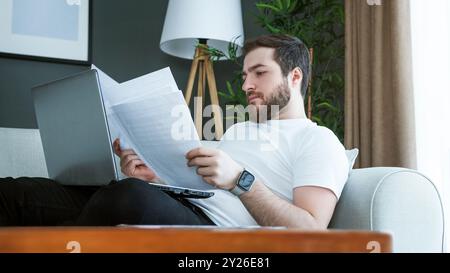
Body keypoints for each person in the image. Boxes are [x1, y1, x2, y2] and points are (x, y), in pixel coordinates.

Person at [0, 34, 349, 228]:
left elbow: (311, 230)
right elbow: (199, 189)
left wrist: (240, 179)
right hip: (174, 203)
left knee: (126, 197)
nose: (246, 84)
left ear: (295, 76)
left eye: (259, 72)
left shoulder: (317, 140)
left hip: (208, 228)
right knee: (18, 193)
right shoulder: (238, 132)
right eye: (244, 75)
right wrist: (156, 177)